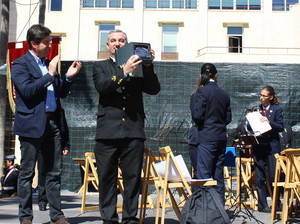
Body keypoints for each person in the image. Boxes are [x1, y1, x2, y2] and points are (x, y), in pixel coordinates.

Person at [11, 24, 81, 224]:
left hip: (53, 124)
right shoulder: (20, 64)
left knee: (54, 173)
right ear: (34, 43)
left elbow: (60, 91)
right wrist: (49, 75)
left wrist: (67, 77)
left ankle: (57, 215)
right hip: (31, 125)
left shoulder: (48, 63)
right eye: (47, 43)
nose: (50, 46)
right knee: (26, 173)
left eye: (51, 42)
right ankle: (25, 218)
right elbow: (27, 91)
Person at [93, 30, 160, 224]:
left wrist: (147, 66)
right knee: (107, 178)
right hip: (107, 132)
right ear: (107, 45)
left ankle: (130, 218)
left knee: (132, 179)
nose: (117, 44)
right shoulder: (100, 66)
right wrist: (124, 71)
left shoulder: (138, 67)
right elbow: (103, 87)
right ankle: (109, 218)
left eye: (121, 41)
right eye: (113, 41)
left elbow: (153, 89)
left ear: (127, 44)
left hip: (133, 131)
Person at [190, 63, 232, 203]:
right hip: (221, 137)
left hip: (207, 137)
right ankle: (219, 209)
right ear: (216, 75)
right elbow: (228, 118)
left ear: (201, 75)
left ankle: (204, 210)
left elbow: (197, 116)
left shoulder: (201, 92)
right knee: (218, 174)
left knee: (204, 175)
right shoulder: (224, 94)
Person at [252, 86, 284, 213]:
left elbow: (280, 126)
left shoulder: (277, 109)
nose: (261, 97)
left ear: (270, 97)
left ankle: (276, 202)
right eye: (260, 95)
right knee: (259, 177)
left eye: (264, 96)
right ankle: (263, 205)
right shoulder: (256, 109)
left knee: (272, 176)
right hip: (259, 146)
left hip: (271, 147)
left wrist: (268, 121)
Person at [37, 108, 70, 211]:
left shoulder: (59, 109)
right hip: (41, 142)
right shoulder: (39, 107)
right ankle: (42, 200)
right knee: (42, 172)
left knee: (55, 173)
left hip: (55, 142)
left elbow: (63, 126)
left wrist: (66, 146)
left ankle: (54, 202)